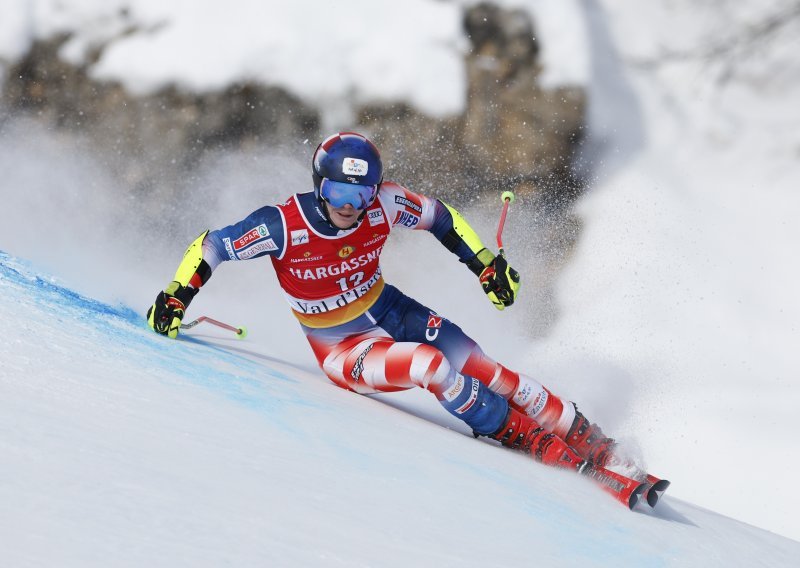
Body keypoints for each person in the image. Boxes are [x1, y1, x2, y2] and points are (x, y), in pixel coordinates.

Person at [147, 132, 618, 475]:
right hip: (344, 349)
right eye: (337, 192)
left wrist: (485, 267)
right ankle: (517, 434)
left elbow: (441, 218)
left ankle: (578, 431)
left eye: (361, 192)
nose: (350, 206)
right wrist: (175, 296)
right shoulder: (282, 225)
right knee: (431, 366)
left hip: (390, 307)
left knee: (486, 368)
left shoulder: (385, 204)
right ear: (319, 185)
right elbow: (211, 246)